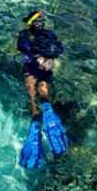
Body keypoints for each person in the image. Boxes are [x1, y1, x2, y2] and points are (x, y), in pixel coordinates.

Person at [16, 10, 69, 169]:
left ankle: (46, 109)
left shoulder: (49, 34)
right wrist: (37, 57)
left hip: (45, 67)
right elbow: (23, 47)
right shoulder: (25, 35)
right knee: (32, 89)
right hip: (31, 67)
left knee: (42, 88)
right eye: (36, 21)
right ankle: (36, 119)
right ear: (30, 23)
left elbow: (58, 48)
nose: (39, 23)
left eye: (41, 20)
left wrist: (51, 59)